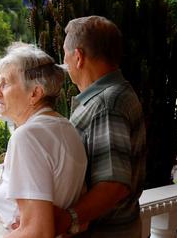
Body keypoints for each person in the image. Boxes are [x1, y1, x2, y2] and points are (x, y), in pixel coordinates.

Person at [0, 44, 87, 237]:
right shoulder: (65, 128)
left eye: (6, 83)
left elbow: (38, 232)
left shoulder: (28, 137)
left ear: (34, 93)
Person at [56, 16, 146, 237]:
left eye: (65, 55)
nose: (64, 63)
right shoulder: (113, 94)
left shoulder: (107, 104)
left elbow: (113, 184)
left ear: (78, 57)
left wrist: (69, 218)